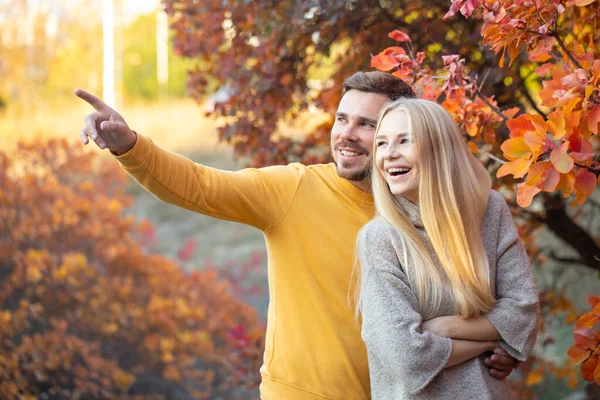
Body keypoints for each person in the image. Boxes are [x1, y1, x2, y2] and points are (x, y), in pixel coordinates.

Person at [75, 72, 518, 400]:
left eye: (367, 125)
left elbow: (487, 299)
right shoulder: (295, 189)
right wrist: (129, 145)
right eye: (342, 118)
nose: (346, 134)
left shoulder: (432, 209)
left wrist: (501, 344)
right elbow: (199, 186)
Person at [356, 98, 539, 399]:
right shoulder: (380, 238)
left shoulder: (488, 209)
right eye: (382, 143)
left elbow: (524, 312)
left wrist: (445, 328)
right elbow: (405, 357)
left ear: (438, 147)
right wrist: (489, 342)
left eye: (405, 140)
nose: (388, 155)